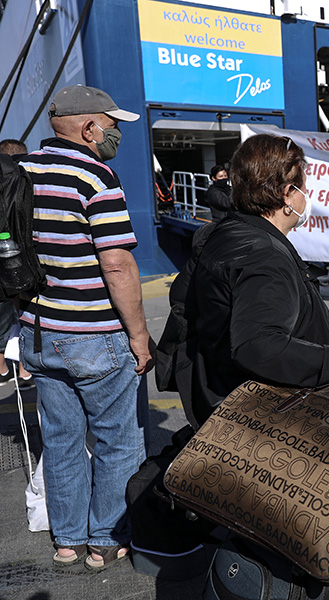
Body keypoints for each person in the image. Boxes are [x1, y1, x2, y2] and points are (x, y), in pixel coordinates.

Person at [17, 85, 153, 570]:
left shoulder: (20, 172)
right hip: (94, 335)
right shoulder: (95, 177)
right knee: (118, 440)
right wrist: (139, 335)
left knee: (61, 440)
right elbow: (116, 264)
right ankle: (105, 540)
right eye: (112, 125)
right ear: (89, 128)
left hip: (38, 332)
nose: (116, 134)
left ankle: (68, 541)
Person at [183, 134, 329, 424]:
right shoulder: (263, 254)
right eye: (304, 187)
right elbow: (259, 347)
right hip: (265, 417)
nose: (307, 194)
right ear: (287, 195)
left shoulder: (222, 234)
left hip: (221, 395)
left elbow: (183, 305)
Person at [0, 139, 33, 386]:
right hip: (22, 262)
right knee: (25, 314)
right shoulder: (27, 179)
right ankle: (25, 370)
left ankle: (2, 368)